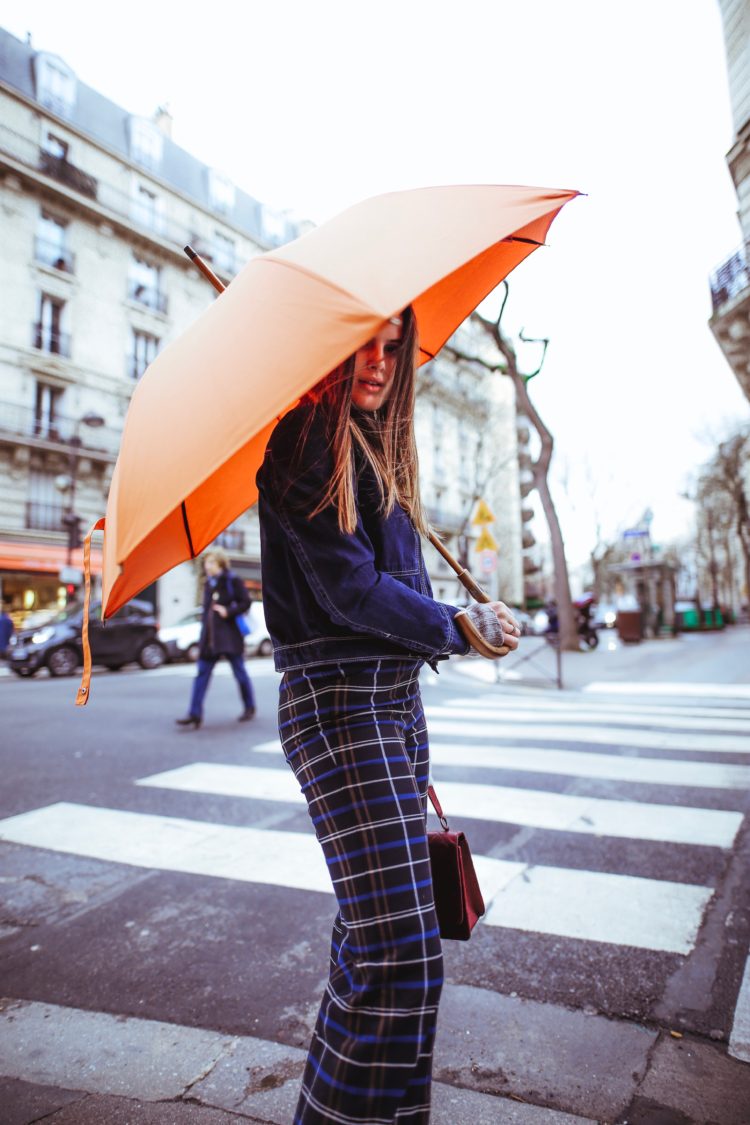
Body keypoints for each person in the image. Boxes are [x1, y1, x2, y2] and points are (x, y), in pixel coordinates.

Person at [256, 307, 520, 1125]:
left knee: (390, 946)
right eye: (360, 344)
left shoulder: (375, 446)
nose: (376, 362)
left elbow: (393, 587)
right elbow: (351, 592)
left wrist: (469, 615)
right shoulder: (304, 439)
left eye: (392, 347)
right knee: (396, 953)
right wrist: (456, 630)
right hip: (340, 705)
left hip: (392, 702)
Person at [175, 549, 256, 729]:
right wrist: (202, 637)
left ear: (220, 563)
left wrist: (229, 611)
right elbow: (205, 614)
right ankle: (194, 714)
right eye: (206, 562)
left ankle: (249, 707)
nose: (207, 565)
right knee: (201, 676)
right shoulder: (207, 584)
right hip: (209, 639)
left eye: (211, 562)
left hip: (229, 637)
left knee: (240, 673)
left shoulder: (231, 580)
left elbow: (246, 602)